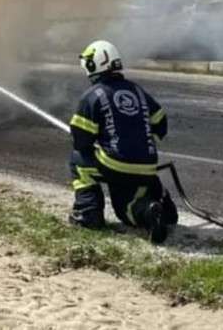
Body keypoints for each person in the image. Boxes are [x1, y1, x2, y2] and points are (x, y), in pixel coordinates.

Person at [67, 40, 178, 243]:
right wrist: (144, 142)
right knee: (126, 210)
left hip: (115, 164)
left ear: (94, 65)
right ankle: (154, 210)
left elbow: (81, 143)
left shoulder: (93, 95)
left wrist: (91, 138)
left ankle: (88, 213)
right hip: (146, 165)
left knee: (77, 161)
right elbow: (160, 121)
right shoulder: (137, 90)